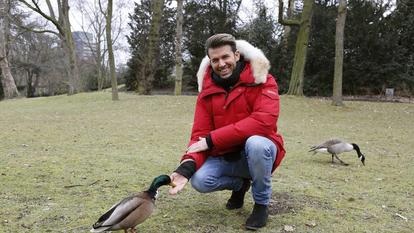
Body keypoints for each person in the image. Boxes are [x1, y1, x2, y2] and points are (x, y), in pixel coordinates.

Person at [169, 33, 285, 230]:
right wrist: (185, 169)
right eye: (215, 60)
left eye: (225, 57)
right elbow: (200, 135)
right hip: (227, 155)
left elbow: (264, 121)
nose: (221, 64)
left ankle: (261, 204)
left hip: (259, 153)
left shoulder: (263, 80)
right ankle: (240, 186)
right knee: (200, 180)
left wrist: (213, 139)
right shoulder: (206, 93)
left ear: (237, 55)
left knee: (256, 143)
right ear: (210, 62)